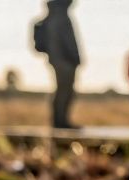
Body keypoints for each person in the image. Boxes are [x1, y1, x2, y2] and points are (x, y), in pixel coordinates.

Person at [32, 0, 81, 129]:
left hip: (60, 59)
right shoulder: (60, 16)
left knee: (63, 90)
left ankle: (60, 121)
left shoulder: (54, 15)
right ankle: (60, 122)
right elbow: (66, 41)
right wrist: (74, 58)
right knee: (64, 91)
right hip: (64, 60)